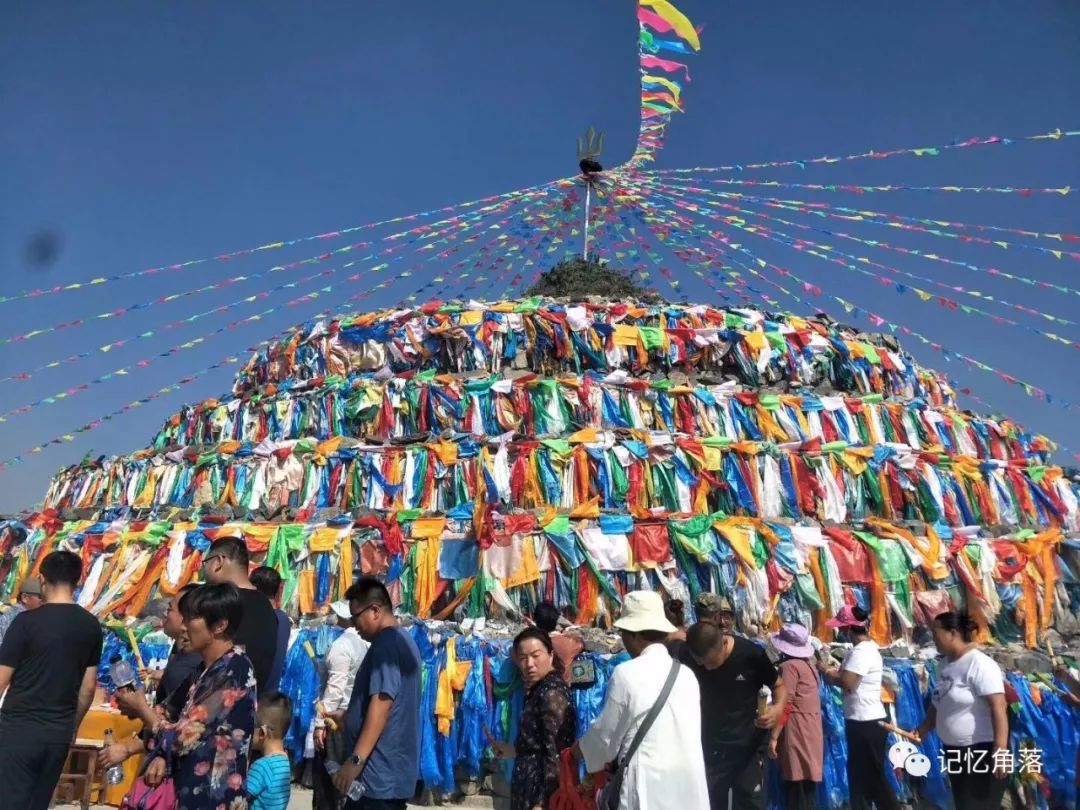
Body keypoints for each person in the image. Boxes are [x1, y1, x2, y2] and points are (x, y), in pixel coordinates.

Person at [573, 591, 709, 810]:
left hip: (647, 789)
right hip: (688, 789)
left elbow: (606, 739)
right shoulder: (686, 675)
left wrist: (581, 749)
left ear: (633, 635)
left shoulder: (626, 674)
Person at [0, 551, 103, 810]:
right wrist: (72, 727)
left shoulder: (26, 622)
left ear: (42, 580)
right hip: (58, 733)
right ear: (77, 581)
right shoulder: (91, 626)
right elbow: (88, 688)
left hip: (18, 731)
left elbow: (1, 678)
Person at [142, 582, 257, 810]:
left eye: (191, 619)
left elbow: (183, 736)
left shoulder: (234, 671)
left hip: (212, 797)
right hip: (189, 790)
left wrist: (142, 710)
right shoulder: (205, 668)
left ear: (220, 625)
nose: (184, 627)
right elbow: (169, 709)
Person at [332, 577, 422, 809]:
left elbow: (382, 705)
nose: (353, 625)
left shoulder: (387, 643)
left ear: (374, 611)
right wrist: (349, 716)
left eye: (355, 617)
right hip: (386, 776)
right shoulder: (401, 639)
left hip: (378, 778)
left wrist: (355, 761)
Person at [684, 620, 786, 810]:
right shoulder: (688, 655)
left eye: (713, 662)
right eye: (702, 663)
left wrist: (777, 709)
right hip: (711, 749)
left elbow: (779, 686)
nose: (707, 668)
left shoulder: (751, 655)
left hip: (748, 748)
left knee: (751, 804)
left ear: (724, 643)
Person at [101, 584, 204, 771]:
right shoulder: (180, 654)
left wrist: (140, 710)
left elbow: (178, 728)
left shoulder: (191, 665)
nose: (165, 614)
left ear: (186, 618)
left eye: (171, 609)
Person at [914, 611, 1008, 810]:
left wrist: (1000, 751)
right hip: (955, 751)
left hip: (980, 751)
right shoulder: (944, 665)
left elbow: (999, 706)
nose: (933, 638)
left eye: (936, 632)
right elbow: (939, 702)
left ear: (952, 633)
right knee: (963, 804)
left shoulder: (980, 664)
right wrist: (923, 728)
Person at [818, 605, 899, 810]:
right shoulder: (863, 651)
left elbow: (847, 682)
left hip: (867, 723)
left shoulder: (862, 652)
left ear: (848, 629)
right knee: (859, 776)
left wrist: (825, 670)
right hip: (861, 721)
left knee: (874, 777)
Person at [493, 628, 576, 810]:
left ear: (551, 655)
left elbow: (555, 754)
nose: (529, 664)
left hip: (539, 794)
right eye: (522, 658)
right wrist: (512, 750)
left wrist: (542, 802)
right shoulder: (539, 688)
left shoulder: (552, 694)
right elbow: (538, 744)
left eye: (536, 655)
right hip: (527, 787)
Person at [201, 536, 278, 693]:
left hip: (213, 701)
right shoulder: (266, 606)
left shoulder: (221, 604)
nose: (204, 569)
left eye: (205, 563)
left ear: (218, 562)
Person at [313, 600, 369, 810]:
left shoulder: (341, 646)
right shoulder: (364, 644)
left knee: (331, 783)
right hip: (352, 717)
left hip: (335, 720)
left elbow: (335, 689)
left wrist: (320, 723)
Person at [766, 623, 823, 810]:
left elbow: (785, 703)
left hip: (797, 728)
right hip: (811, 726)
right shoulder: (809, 666)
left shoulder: (789, 667)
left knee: (795, 783)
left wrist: (774, 737)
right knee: (807, 785)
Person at [247, 692, 294, 810]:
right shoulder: (285, 761)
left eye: (252, 727)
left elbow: (239, 796)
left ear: (262, 733)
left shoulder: (262, 766)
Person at [251, 565, 291, 693]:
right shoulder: (283, 619)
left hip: (255, 694)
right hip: (269, 696)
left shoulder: (258, 618)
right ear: (279, 589)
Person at [532, 601, 583, 681]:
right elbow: (581, 644)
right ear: (556, 620)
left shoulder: (532, 643)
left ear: (536, 621)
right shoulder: (568, 642)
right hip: (563, 687)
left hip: (537, 688)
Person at [0, 576, 43, 645]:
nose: (43, 601)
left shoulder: (15, 613)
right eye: (40, 597)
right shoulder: (18, 618)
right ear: (24, 597)